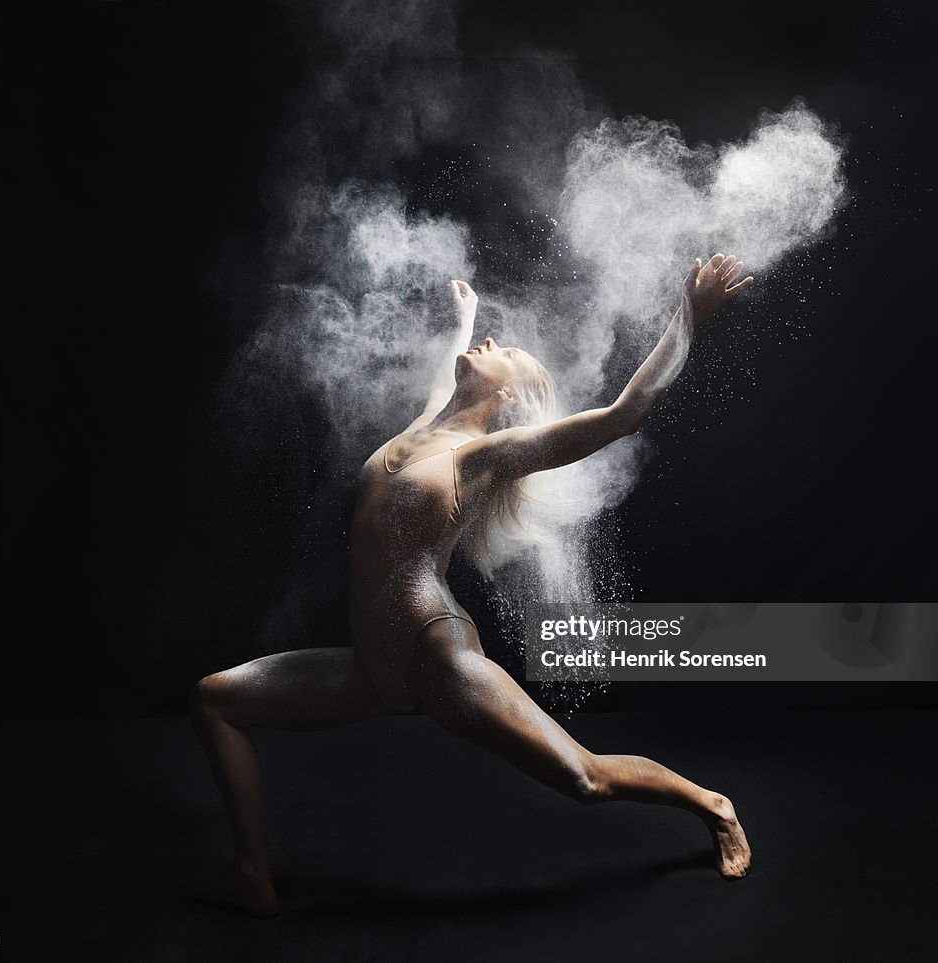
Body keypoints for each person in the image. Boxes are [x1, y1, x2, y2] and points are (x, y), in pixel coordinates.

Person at [190, 254, 755, 917]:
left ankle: (712, 804)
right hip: (373, 666)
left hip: (438, 655)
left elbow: (623, 413)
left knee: (585, 777)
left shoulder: (488, 455)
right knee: (215, 700)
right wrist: (466, 320)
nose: (493, 342)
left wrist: (689, 316)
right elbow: (449, 376)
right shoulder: (426, 424)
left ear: (509, 397)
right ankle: (254, 877)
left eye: (505, 351)